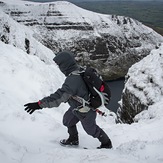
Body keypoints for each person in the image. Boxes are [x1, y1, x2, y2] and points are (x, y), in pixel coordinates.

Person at [24, 51, 112, 149]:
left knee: (91, 130)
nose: (59, 67)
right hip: (76, 107)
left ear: (65, 64)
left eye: (60, 65)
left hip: (86, 110)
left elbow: (59, 97)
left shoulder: (73, 80)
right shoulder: (79, 70)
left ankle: (106, 143)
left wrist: (39, 104)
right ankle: (73, 139)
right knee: (67, 120)